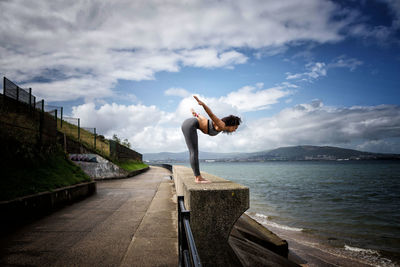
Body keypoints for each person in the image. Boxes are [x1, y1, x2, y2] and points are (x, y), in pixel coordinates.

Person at [181, 96, 241, 183]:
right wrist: (203, 104)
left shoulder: (221, 128)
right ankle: (198, 178)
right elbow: (211, 114)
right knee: (194, 151)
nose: (235, 129)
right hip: (190, 124)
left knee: (193, 151)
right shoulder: (221, 124)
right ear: (231, 124)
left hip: (189, 123)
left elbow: (201, 118)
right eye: (235, 127)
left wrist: (195, 113)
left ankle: (198, 177)